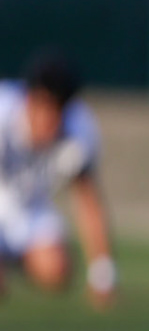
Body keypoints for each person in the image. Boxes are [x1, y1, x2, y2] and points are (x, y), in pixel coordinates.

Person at [0, 51, 117, 308]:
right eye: (46, 107)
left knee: (57, 272)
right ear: (29, 99)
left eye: (60, 110)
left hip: (30, 212)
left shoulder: (78, 130)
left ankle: (15, 261)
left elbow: (88, 201)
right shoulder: (2, 114)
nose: (52, 120)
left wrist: (103, 276)